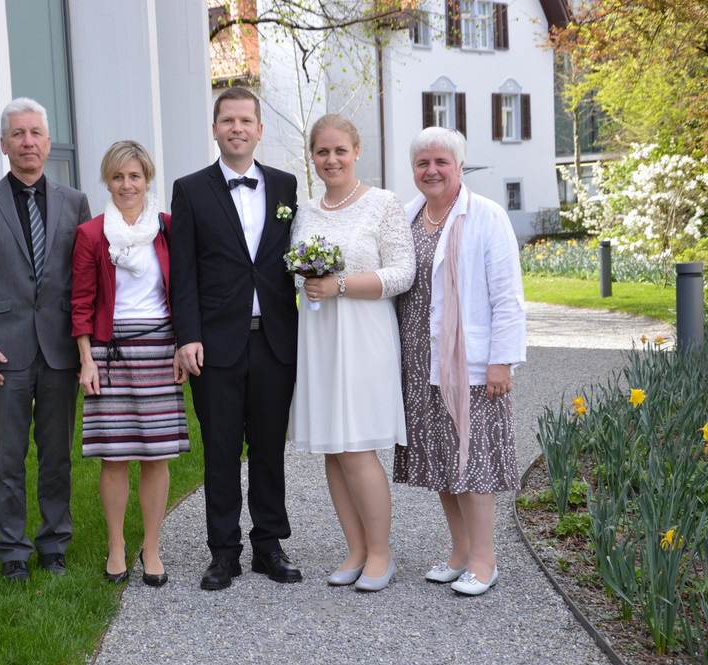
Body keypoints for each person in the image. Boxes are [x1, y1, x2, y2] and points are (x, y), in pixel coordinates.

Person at [170, 87, 301, 590]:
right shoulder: (190, 189)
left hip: (274, 341)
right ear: (215, 129)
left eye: (246, 120)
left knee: (268, 449)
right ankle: (223, 552)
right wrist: (187, 336)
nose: (237, 128)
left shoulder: (286, 186)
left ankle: (269, 546)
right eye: (228, 120)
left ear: (260, 130)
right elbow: (183, 271)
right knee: (221, 451)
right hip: (215, 345)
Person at [0, 97, 92, 582]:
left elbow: (86, 279)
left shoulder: (75, 202)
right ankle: (12, 551)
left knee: (56, 456)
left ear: (48, 143)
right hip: (3, 350)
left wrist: (87, 346)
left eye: (35, 133)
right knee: (7, 459)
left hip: (60, 349)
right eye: (18, 134)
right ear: (4, 144)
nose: (27, 141)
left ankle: (53, 544)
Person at [393, 127, 527, 596]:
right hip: (418, 360)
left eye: (441, 162)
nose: (431, 170)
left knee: (473, 462)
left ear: (459, 166)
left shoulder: (486, 215)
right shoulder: (407, 217)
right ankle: (460, 552)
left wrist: (501, 360)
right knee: (441, 461)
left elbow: (508, 295)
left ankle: (485, 561)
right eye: (422, 163)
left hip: (468, 360)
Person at [289, 114, 415, 592]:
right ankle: (356, 548)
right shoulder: (305, 211)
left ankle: (381, 553)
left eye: (340, 150)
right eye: (322, 151)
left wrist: (338, 284)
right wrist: (307, 280)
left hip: (364, 335)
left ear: (356, 151)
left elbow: (402, 273)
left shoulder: (383, 203)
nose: (332, 159)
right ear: (312, 157)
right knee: (333, 449)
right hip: (320, 337)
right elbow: (296, 273)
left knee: (357, 447)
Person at [71, 140, 190, 587]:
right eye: (118, 176)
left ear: (147, 179)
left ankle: (152, 548)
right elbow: (81, 303)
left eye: (135, 176)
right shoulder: (91, 234)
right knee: (115, 456)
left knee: (157, 456)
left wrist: (181, 345)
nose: (127, 185)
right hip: (109, 353)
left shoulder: (167, 228)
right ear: (108, 180)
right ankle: (117, 545)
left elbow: (183, 293)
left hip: (159, 350)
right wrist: (86, 360)